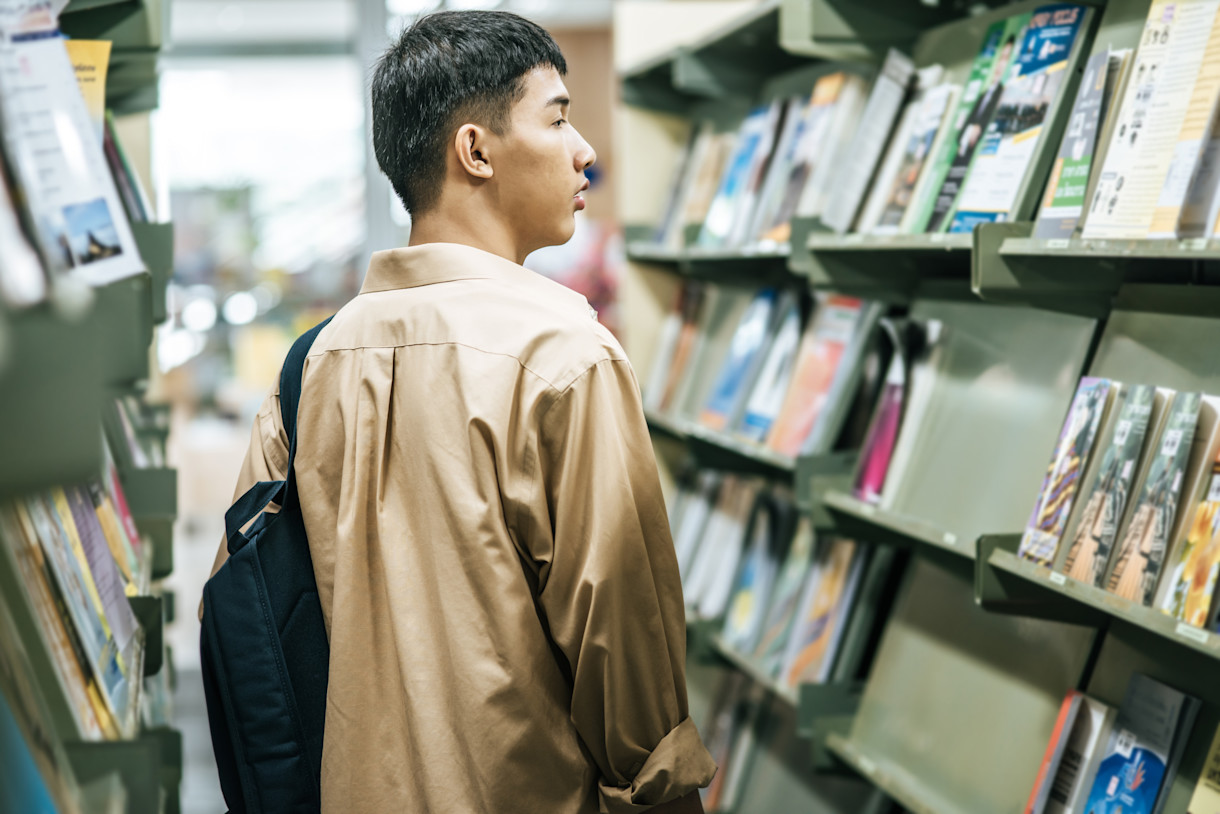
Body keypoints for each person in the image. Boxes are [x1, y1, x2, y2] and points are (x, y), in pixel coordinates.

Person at [205, 9, 716, 814]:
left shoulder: (312, 364)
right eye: (557, 116)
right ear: (475, 151)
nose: (585, 149)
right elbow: (624, 649)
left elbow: (248, 604)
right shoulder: (565, 357)